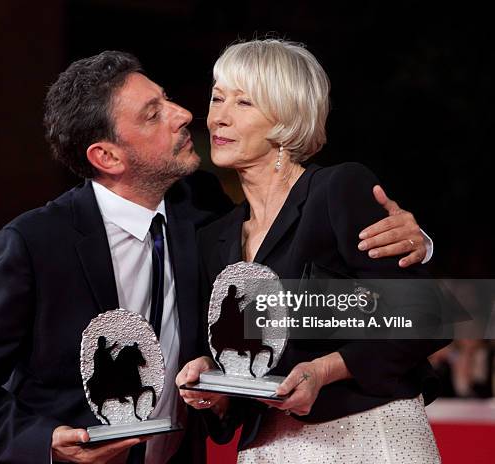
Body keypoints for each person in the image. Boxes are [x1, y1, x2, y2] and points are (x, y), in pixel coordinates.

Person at [0, 50, 431, 464]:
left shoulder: (201, 211)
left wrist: (420, 244)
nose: (190, 114)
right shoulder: (35, 243)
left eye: (167, 98)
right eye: (154, 113)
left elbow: (418, 311)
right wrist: (45, 443)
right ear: (108, 157)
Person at [176, 39, 449, 463]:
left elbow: (426, 315)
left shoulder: (336, 190)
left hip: (366, 438)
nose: (219, 117)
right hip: (268, 450)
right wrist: (210, 386)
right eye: (217, 98)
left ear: (286, 119)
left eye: (244, 102)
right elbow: (240, 380)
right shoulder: (214, 239)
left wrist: (323, 371)